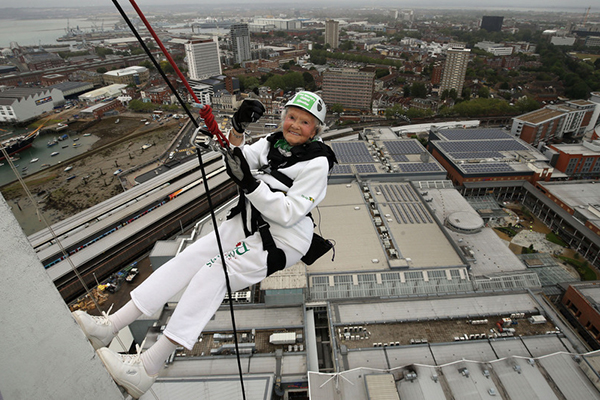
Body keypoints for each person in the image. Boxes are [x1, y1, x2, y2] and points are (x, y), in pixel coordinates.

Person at [72, 91, 336, 399]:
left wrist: (250, 184)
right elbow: (237, 155)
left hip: (282, 239)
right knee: (188, 259)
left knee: (213, 274)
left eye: (304, 122)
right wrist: (236, 127)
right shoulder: (271, 144)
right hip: (249, 222)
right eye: (291, 116)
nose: (294, 125)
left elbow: (289, 213)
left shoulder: (317, 163)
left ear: (315, 130)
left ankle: (147, 367)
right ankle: (110, 326)